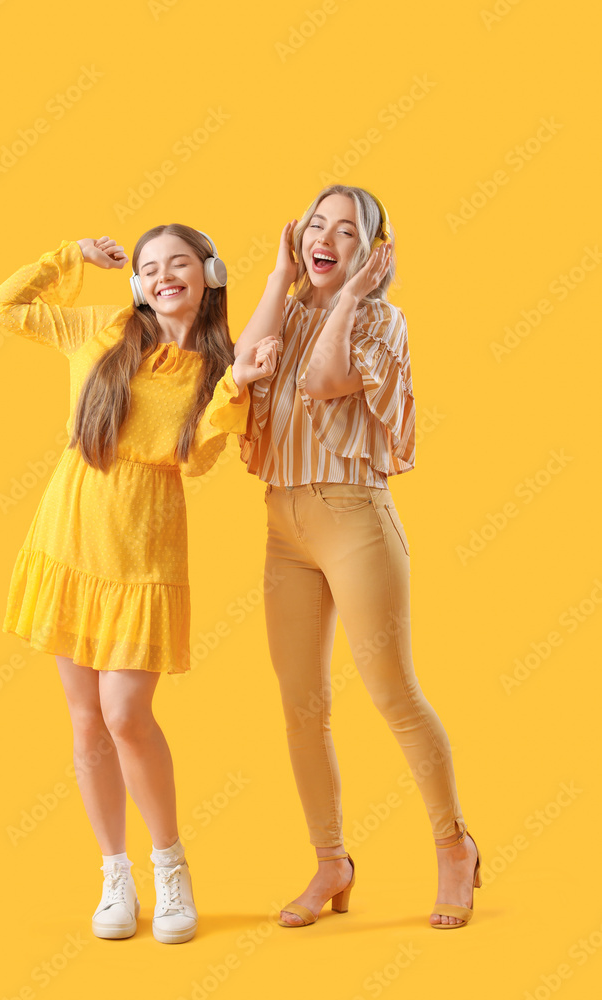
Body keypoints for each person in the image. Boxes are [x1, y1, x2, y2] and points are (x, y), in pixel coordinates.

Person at [0, 227, 278, 943]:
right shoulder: (102, 327)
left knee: (125, 716)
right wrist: (70, 257)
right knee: (86, 719)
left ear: (209, 273)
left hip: (143, 552)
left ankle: (170, 868)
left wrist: (239, 383)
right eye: (150, 267)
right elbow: (0, 307)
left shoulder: (218, 366)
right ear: (138, 283)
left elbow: (198, 459)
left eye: (179, 263)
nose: (164, 275)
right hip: (67, 539)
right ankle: (115, 874)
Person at [234, 184, 482, 929]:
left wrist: (347, 296)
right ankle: (330, 862)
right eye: (317, 224)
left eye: (346, 231)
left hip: (354, 518)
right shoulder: (285, 308)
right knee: (300, 705)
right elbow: (243, 365)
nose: (325, 238)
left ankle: (454, 846)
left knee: (393, 693)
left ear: (372, 252)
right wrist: (278, 277)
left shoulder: (380, 319)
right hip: (283, 525)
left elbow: (320, 380)